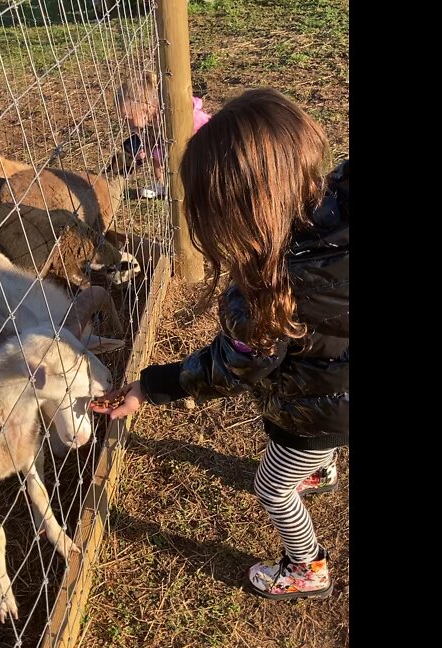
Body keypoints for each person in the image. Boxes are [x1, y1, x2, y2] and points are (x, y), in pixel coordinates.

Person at [91, 88, 349, 599]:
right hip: (335, 391)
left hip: (316, 412)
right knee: (319, 433)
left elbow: (225, 370)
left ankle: (306, 568)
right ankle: (321, 468)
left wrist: (150, 384)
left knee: (272, 486)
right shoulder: (336, 206)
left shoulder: (266, 298)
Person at [108, 70, 211, 199]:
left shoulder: (183, 122)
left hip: (203, 161)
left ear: (145, 108)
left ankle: (190, 189)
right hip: (183, 159)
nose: (126, 123)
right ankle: (162, 185)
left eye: (128, 117)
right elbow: (156, 151)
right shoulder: (152, 123)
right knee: (155, 149)